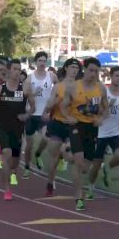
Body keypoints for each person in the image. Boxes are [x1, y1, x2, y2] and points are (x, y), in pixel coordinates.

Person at [61, 57, 108, 211]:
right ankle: (78, 196)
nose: (93, 74)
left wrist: (101, 118)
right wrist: (68, 118)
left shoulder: (101, 89)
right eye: (90, 70)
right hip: (76, 126)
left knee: (85, 167)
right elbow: (63, 106)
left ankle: (66, 153)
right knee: (79, 160)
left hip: (92, 127)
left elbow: (106, 109)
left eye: (96, 71)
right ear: (85, 70)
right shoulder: (74, 87)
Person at [0, 59, 35, 200]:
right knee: (6, 154)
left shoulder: (25, 89)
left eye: (19, 69)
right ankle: (7, 190)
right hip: (3, 127)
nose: (17, 72)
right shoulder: (0, 89)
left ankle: (12, 171)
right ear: (8, 71)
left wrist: (26, 115)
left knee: (14, 161)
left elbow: (33, 107)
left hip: (18, 129)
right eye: (14, 69)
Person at [86, 66, 119, 200]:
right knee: (95, 165)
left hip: (116, 131)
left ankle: (107, 168)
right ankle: (91, 187)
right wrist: (103, 110)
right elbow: (92, 109)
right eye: (116, 76)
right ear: (111, 76)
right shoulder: (102, 92)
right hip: (101, 133)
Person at [42, 58, 81, 197]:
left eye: (76, 68)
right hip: (58, 124)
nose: (74, 70)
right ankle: (50, 183)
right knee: (53, 159)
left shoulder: (81, 86)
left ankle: (78, 188)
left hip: (74, 125)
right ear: (65, 68)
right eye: (71, 67)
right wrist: (55, 102)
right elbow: (48, 105)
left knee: (72, 157)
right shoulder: (58, 86)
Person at [23, 52, 59, 178]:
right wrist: (34, 93)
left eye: (44, 60)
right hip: (32, 114)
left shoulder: (52, 76)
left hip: (45, 115)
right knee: (29, 145)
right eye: (40, 60)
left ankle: (38, 154)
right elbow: (25, 94)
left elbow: (59, 89)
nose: (42, 63)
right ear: (36, 62)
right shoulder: (30, 78)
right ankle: (27, 167)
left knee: (46, 138)